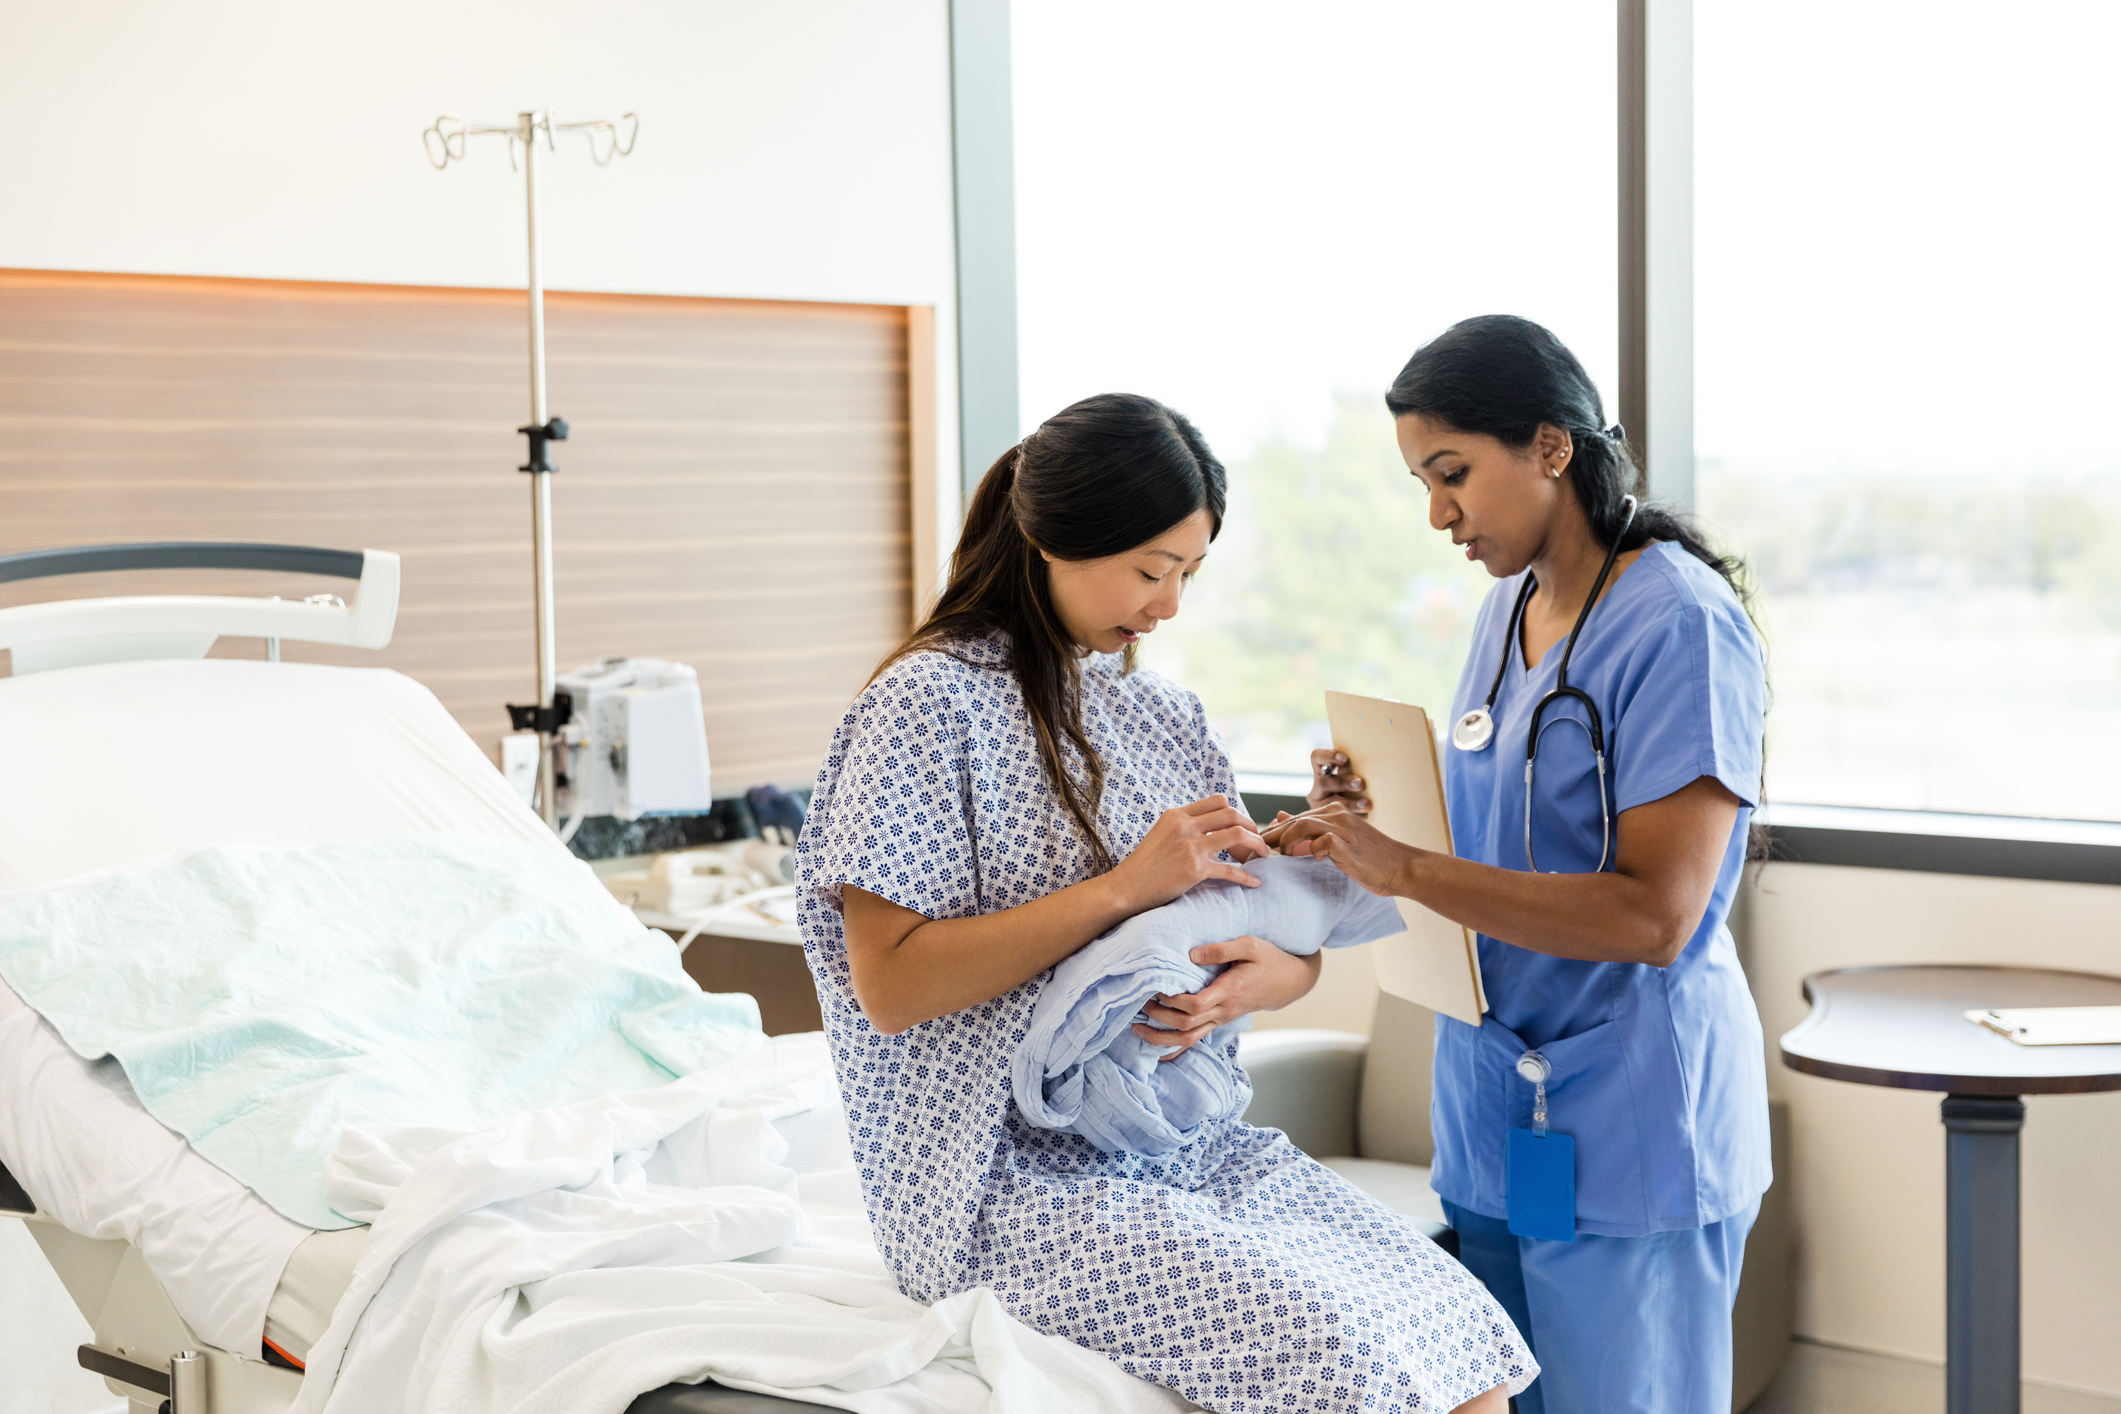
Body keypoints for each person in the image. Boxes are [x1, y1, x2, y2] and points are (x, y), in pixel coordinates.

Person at [796, 392, 1532, 1414]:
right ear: (1053, 538)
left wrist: (1267, 973)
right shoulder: (924, 705)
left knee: (1465, 1335)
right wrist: (1124, 889)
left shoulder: (1164, 715)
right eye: (1151, 570)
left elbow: (1265, 947)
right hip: (1003, 1182)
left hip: (1187, 1142)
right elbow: (889, 987)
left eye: (1190, 572)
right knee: (1349, 1358)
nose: (1172, 604)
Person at [1275, 315, 1771, 1414]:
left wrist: (1405, 869)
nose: (1438, 513)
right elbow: (1502, 830)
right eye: (1422, 483)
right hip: (1494, 1105)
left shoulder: (1679, 623)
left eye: (1452, 473)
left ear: (1552, 446)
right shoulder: (1508, 608)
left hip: (1628, 1114)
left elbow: (1655, 918)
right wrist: (1368, 816)